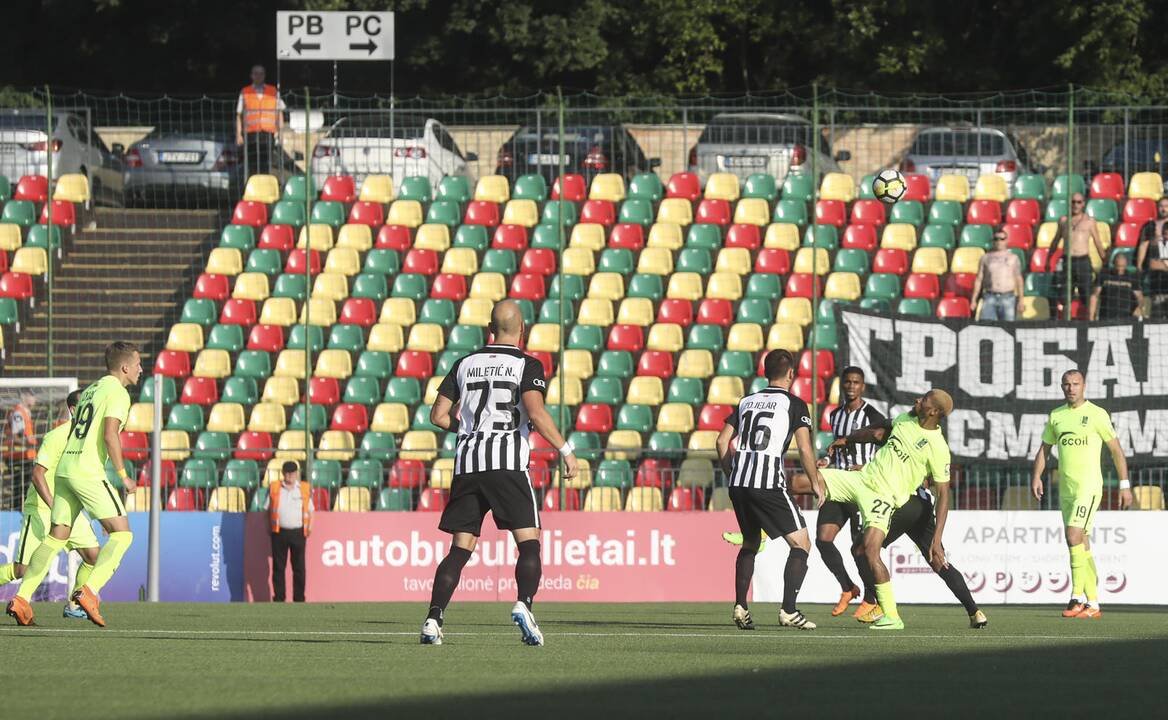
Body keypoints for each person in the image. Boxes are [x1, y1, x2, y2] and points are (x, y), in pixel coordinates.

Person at [420, 300, 578, 646]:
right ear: (522, 330)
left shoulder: (464, 364)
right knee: (530, 544)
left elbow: (438, 415)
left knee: (459, 549)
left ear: (490, 329)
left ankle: (433, 619)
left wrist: (469, 432)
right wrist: (566, 451)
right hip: (506, 464)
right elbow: (535, 414)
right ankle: (524, 604)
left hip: (468, 465)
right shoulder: (526, 364)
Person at [5, 342, 140, 627]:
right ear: (125, 367)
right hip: (88, 471)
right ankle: (90, 592)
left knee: (56, 537)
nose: (141, 369)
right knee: (123, 534)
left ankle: (22, 597)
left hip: (65, 471)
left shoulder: (91, 389)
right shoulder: (117, 392)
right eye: (138, 364)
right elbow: (110, 433)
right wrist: (122, 474)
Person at [809, 390, 955, 630]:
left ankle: (886, 611)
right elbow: (877, 432)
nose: (917, 399)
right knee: (802, 482)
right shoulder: (905, 419)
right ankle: (768, 524)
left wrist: (937, 539)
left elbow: (944, 494)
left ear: (934, 411)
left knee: (866, 548)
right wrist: (849, 439)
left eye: (925, 399)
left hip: (885, 497)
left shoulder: (938, 447)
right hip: (860, 478)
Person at [716, 349, 824, 631]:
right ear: (791, 374)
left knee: (750, 543)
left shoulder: (746, 401)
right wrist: (815, 483)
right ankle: (788, 610)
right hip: (768, 483)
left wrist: (733, 474)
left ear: (765, 373)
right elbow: (803, 447)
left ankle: (741, 605)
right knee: (801, 544)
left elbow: (721, 442)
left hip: (739, 483)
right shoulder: (795, 404)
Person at [1031, 370, 1132, 619]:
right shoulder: (1057, 416)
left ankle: (1076, 597)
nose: (1071, 388)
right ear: (1061, 387)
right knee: (1081, 543)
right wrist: (1036, 476)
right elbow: (1044, 449)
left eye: (1075, 384)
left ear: (1084, 386)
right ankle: (1093, 604)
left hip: (1089, 487)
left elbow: (1116, 451)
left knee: (1073, 534)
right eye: (1066, 384)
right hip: (1066, 489)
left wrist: (1124, 484)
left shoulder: (1097, 414)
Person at [0, 390, 99, 620]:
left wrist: (100, 513)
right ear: (75, 410)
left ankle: (75, 606)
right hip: (43, 509)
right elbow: (37, 475)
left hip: (70, 511)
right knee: (21, 569)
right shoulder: (57, 436)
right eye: (88, 405)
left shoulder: (91, 440)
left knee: (94, 556)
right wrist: (54, 506)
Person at [814, 367, 885, 621]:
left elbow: (887, 443)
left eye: (856, 382)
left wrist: (868, 467)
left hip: (860, 486)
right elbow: (836, 449)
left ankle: (871, 597)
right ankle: (847, 587)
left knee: (860, 546)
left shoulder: (873, 415)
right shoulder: (835, 415)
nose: (851, 386)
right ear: (842, 385)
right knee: (823, 540)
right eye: (847, 382)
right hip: (837, 483)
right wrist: (826, 460)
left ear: (863, 386)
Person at [1047, 193, 1107, 314]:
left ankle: (1091, 322)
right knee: (1065, 295)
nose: (1076, 205)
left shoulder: (1090, 221)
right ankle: (1065, 323)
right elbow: (1055, 241)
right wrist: (1048, 259)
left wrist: (1104, 261)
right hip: (1067, 261)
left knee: (1087, 294)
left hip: (1083, 261)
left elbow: (1098, 243)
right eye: (1073, 202)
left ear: (1083, 203)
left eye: (1079, 202)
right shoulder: (1063, 220)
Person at [264, 461, 312, 603]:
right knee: (279, 567)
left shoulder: (303, 488)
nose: (290, 475)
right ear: (283, 473)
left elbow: (311, 510)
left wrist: (310, 527)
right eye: (287, 473)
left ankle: (299, 598)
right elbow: (266, 509)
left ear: (297, 474)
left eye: (292, 473)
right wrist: (267, 526)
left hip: (298, 532)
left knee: (299, 568)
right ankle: (279, 598)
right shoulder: (274, 487)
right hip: (279, 532)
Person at [235, 65, 285, 177]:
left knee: (266, 164)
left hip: (268, 134)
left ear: (264, 76)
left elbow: (279, 113)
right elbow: (239, 115)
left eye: (261, 73)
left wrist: (281, 133)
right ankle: (252, 189)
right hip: (251, 134)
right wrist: (238, 134)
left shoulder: (273, 91)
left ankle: (264, 189)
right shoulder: (245, 92)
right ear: (251, 76)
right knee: (251, 164)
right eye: (256, 73)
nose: (259, 76)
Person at [972, 228, 1024, 321]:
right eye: (996, 239)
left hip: (1008, 297)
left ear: (1006, 240)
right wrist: (974, 299)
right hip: (990, 296)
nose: (999, 241)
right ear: (993, 241)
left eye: (1002, 239)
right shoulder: (985, 258)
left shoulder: (1013, 258)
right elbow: (979, 279)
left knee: (1008, 328)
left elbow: (1019, 279)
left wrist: (1021, 300)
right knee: (987, 327)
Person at [3, 390, 39, 508]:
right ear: (24, 396)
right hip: (19, 456)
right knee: (21, 488)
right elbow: (16, 436)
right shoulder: (18, 413)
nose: (35, 400)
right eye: (33, 396)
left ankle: (19, 511)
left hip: (24, 455)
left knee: (24, 487)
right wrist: (32, 445)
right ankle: (17, 513)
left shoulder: (24, 412)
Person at [1090, 252, 1143, 320]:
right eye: (1118, 266)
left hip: (1126, 317)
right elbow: (1094, 296)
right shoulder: (1103, 276)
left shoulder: (1132, 278)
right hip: (1106, 317)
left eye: (1122, 266)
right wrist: (1091, 317)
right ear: (1113, 264)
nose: (1119, 269)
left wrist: (1139, 308)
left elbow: (1140, 298)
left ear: (1126, 265)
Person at [1137, 221, 1168, 319]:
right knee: (1156, 314)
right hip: (1157, 285)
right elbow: (1148, 264)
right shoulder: (1152, 245)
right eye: (1165, 234)